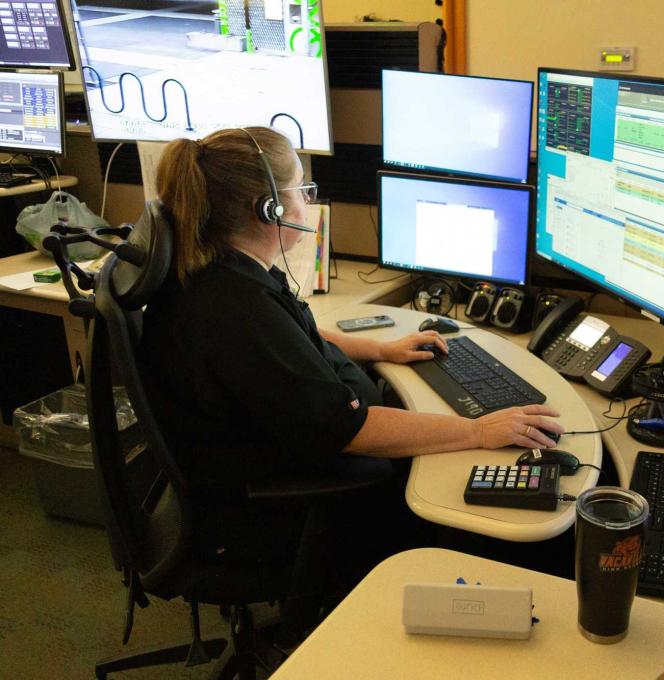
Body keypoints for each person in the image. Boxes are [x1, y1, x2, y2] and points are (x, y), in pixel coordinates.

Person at [139, 128, 563, 576]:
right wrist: (478, 431)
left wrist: (381, 349)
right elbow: (349, 429)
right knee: (451, 486)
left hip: (246, 463)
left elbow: (298, 338)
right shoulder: (237, 308)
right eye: (302, 189)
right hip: (265, 506)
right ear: (269, 208)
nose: (309, 199)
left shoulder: (229, 273)